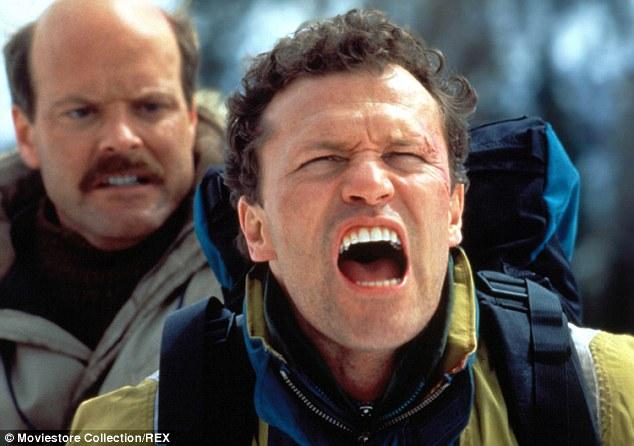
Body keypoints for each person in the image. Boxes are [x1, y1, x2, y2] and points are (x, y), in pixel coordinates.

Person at [70, 9, 634, 445]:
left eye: (405, 155)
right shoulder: (134, 428)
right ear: (256, 228)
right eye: (323, 159)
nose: (370, 183)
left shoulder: (611, 396)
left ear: (453, 211)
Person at [0, 0, 224, 430]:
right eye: (81, 112)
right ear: (27, 134)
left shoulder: (274, 271)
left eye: (150, 107)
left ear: (191, 118)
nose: (121, 139)